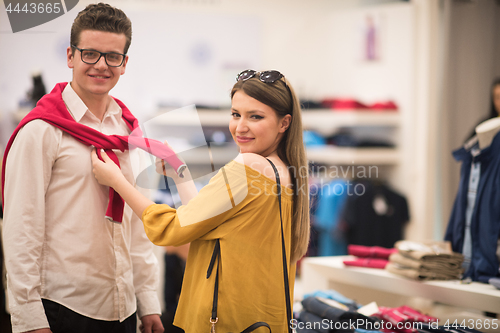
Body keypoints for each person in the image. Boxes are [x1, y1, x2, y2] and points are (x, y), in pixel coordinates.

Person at [91, 70, 311, 332]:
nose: (240, 127)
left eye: (256, 116)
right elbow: (203, 221)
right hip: (261, 319)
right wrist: (179, 172)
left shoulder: (248, 166)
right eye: (235, 114)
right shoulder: (285, 171)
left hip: (226, 322)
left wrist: (118, 182)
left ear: (284, 123)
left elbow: (172, 229)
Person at [1, 3, 164, 333]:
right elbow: (21, 227)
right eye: (90, 53)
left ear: (124, 63)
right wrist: (29, 318)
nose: (101, 65)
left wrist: (148, 300)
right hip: (62, 309)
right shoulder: (42, 130)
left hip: (123, 307)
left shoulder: (131, 130)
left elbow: (137, 223)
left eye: (112, 56)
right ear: (70, 56)